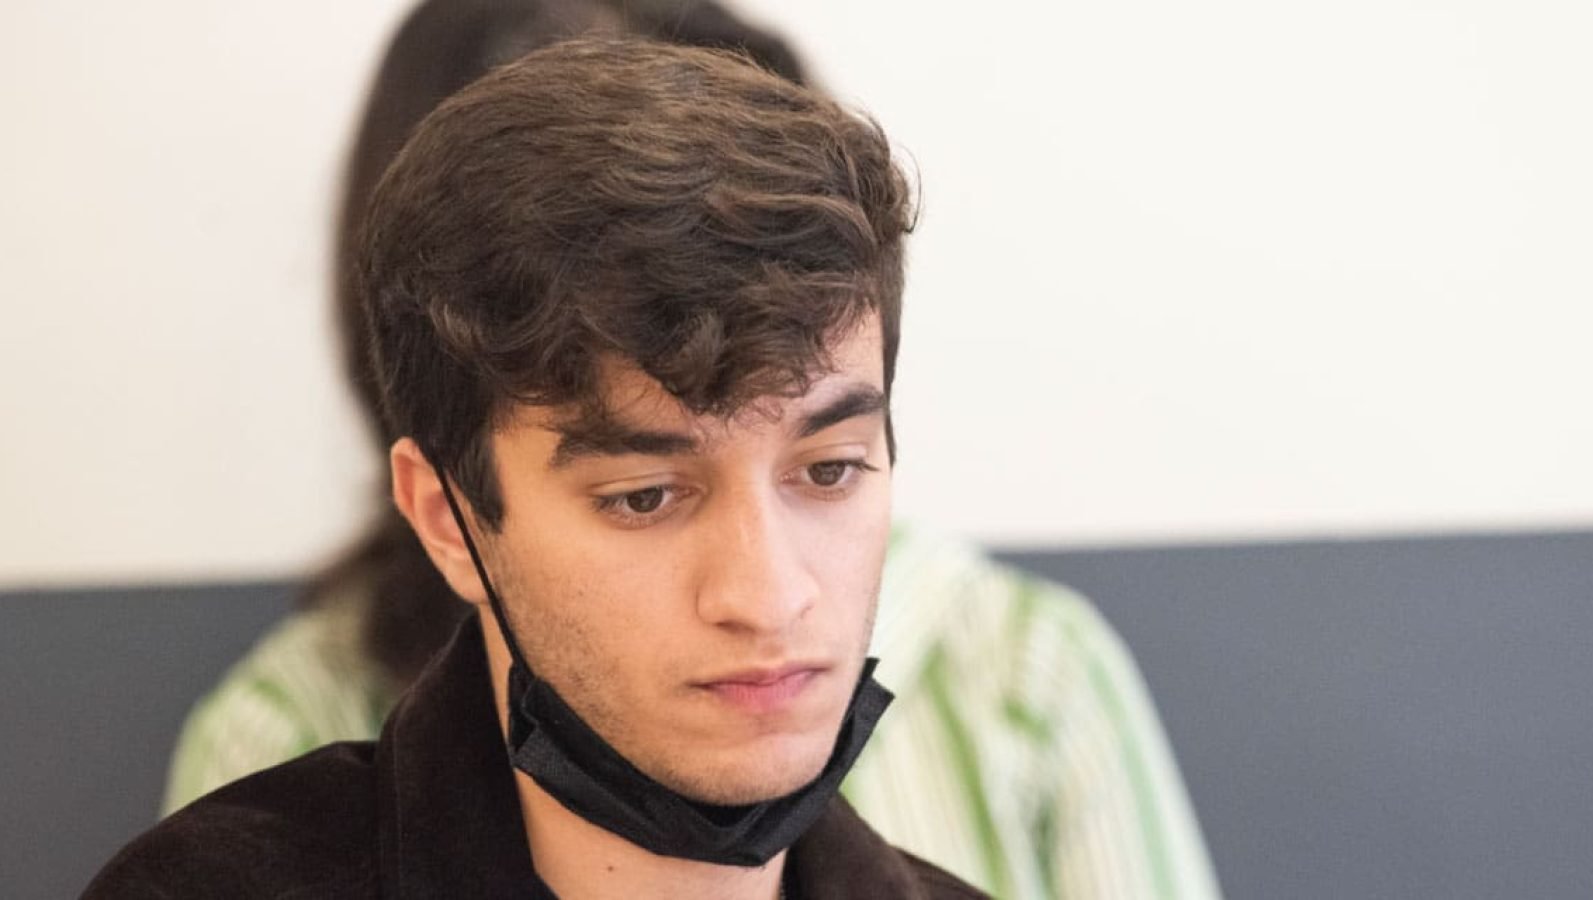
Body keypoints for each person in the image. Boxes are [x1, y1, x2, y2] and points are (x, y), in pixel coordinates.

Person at [159, 2, 1220, 897]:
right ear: (444, 515)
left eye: (830, 470)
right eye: (645, 497)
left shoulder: (1030, 675)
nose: (768, 598)